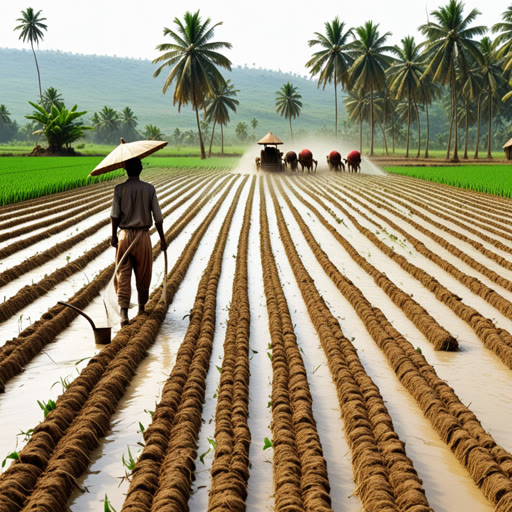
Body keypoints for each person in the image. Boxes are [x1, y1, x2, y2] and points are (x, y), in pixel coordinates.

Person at [110, 157, 167, 327]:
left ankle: (124, 314)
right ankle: (142, 308)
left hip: (125, 236)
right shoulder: (149, 189)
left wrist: (114, 236)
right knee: (143, 274)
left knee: (123, 275)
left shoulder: (119, 189)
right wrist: (163, 239)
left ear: (126, 169)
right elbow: (157, 217)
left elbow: (114, 216)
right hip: (143, 237)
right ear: (140, 169)